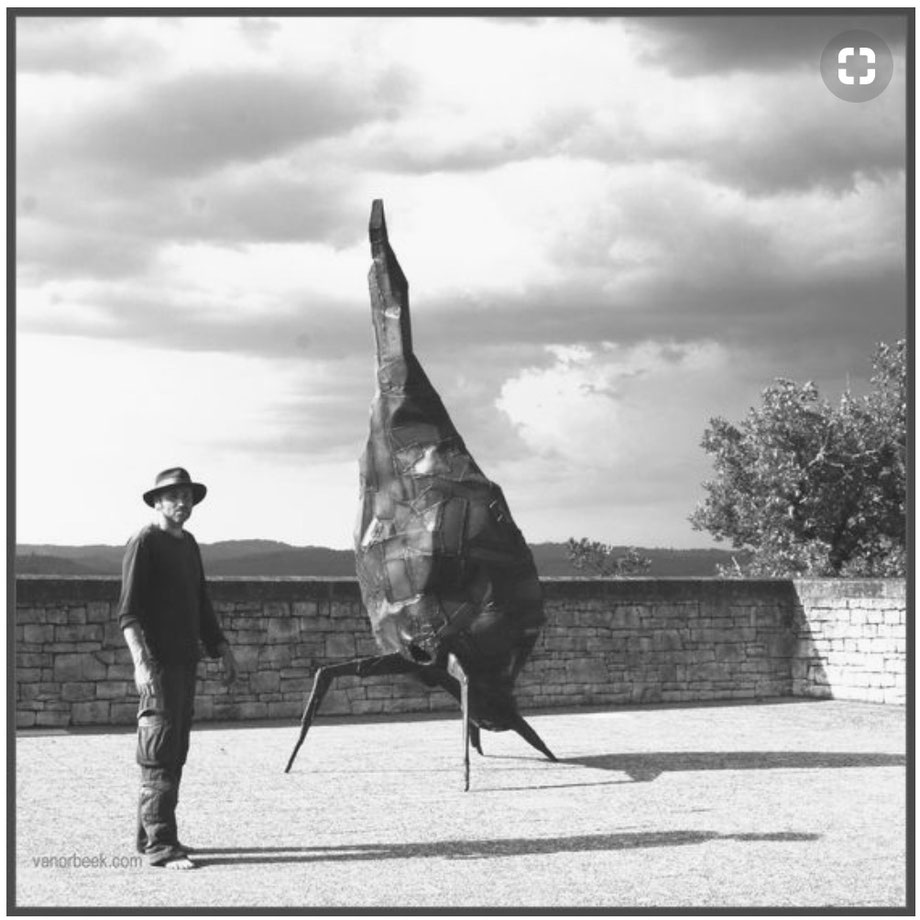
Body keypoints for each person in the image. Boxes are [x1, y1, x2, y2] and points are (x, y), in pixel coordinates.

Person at [117, 467, 238, 870]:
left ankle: (150, 835)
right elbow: (129, 614)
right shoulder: (144, 542)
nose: (182, 503)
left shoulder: (188, 544)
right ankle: (161, 847)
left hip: (186, 662)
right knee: (158, 751)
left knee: (174, 751)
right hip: (158, 664)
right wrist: (141, 663)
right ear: (156, 501)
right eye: (173, 496)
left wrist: (221, 647)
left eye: (187, 495)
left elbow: (200, 603)